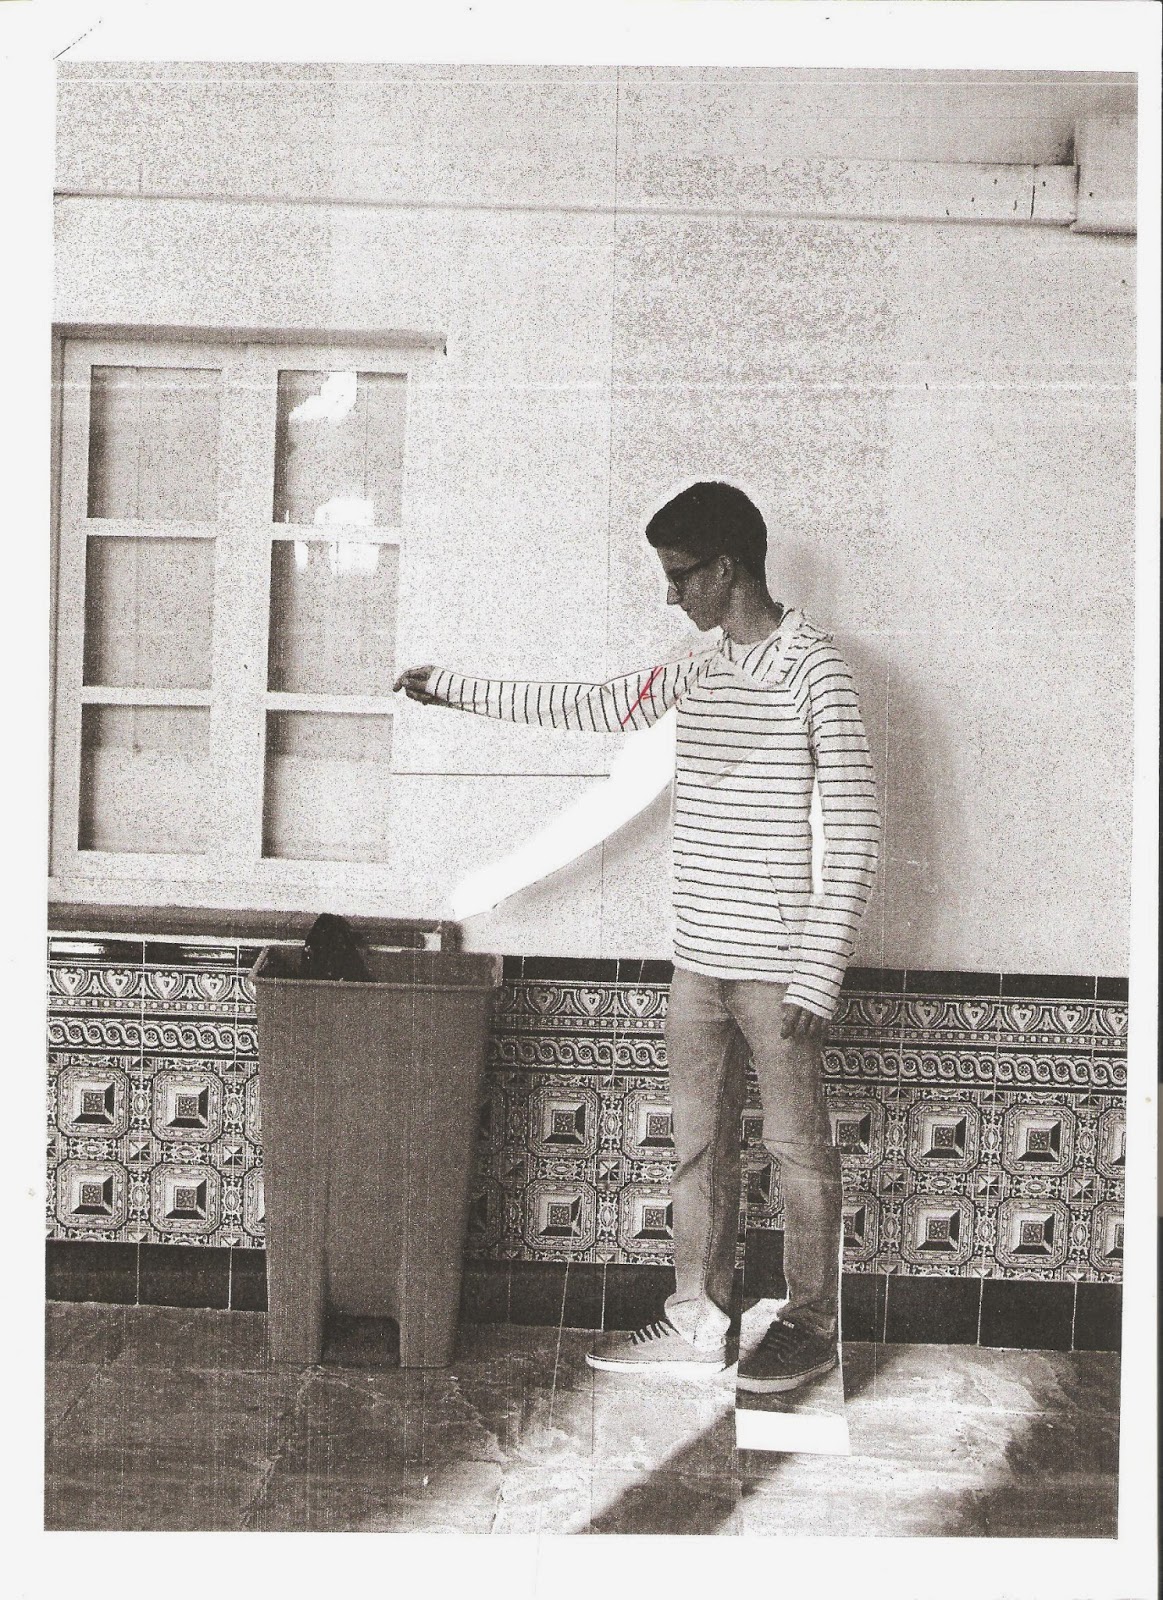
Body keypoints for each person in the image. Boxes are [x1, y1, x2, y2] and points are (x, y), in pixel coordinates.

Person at [394, 480, 880, 1391]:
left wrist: (820, 970)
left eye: (679, 575)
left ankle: (809, 1326)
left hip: (780, 972)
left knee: (798, 1155)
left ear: (725, 569)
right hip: (697, 965)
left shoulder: (816, 670)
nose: (669, 594)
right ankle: (697, 1323)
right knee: (697, 1153)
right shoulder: (696, 668)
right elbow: (594, 704)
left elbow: (853, 829)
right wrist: (449, 687)